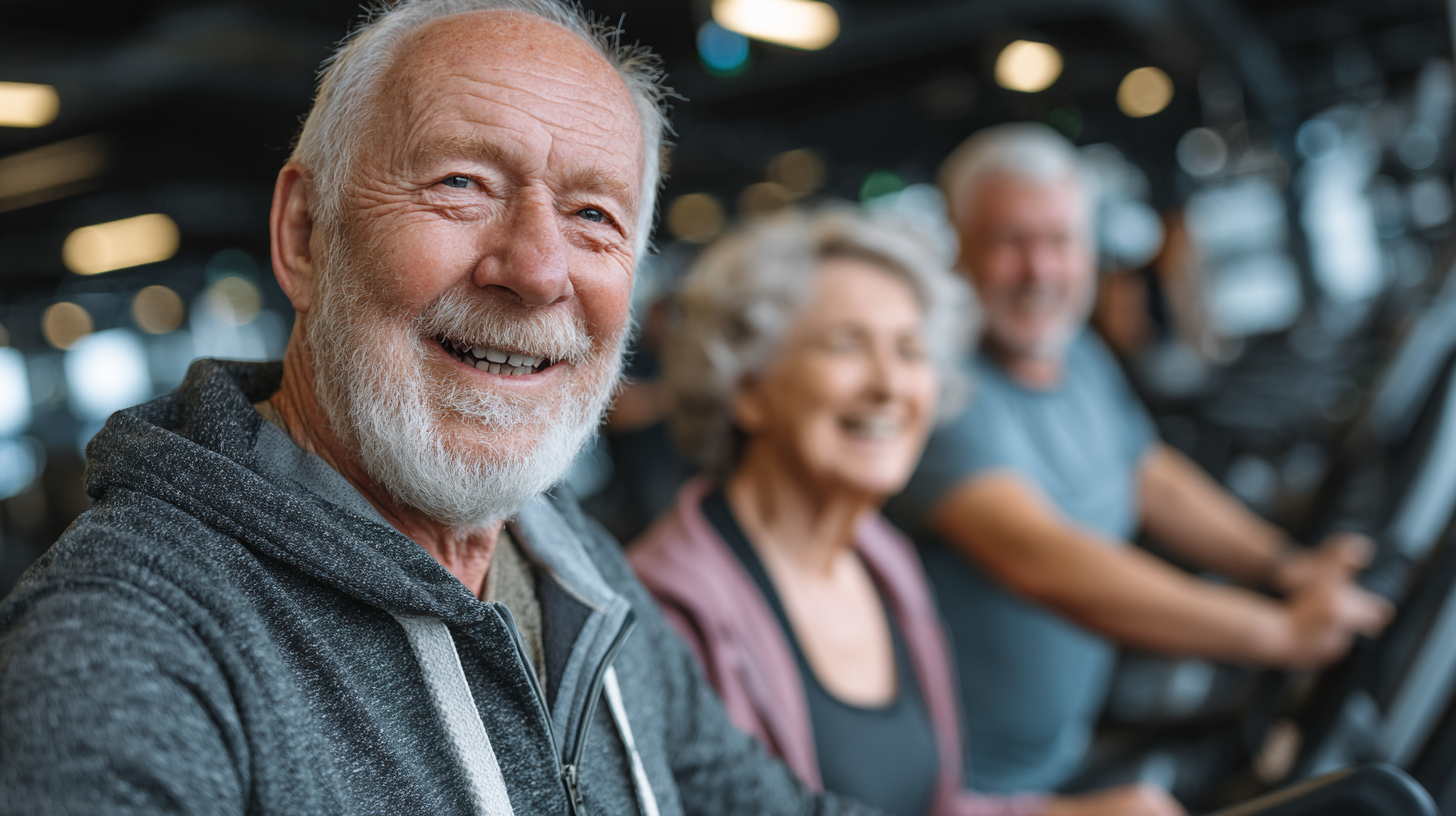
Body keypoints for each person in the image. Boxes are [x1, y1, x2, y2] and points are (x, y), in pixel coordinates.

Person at [0, 3, 883, 814]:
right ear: (306, 235)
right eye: (462, 183)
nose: (539, 270)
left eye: (593, 215)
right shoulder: (124, 647)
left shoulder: (570, 560)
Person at [883, 123, 1394, 795]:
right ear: (958, 254)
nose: (1040, 271)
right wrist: (1276, 632)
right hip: (954, 791)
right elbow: (1043, 559)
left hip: (1062, 756)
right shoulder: (943, 391)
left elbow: (1150, 477)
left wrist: (1285, 565)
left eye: (1059, 242)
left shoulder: (1077, 357)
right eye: (1010, 242)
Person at [630, 207, 1185, 816]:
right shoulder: (670, 614)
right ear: (748, 389)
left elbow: (934, 806)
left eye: (910, 350)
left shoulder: (882, 557)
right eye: (847, 345)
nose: (891, 385)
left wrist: (1070, 815)